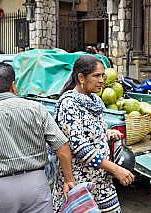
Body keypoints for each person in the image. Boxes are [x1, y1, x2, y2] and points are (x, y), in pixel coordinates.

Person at [0, 63, 75, 213]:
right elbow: (61, 145)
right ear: (13, 86)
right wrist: (69, 179)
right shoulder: (37, 109)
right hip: (36, 185)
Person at [52, 55, 135, 212]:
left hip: (102, 181)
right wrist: (115, 169)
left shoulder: (94, 101)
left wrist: (107, 132)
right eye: (96, 75)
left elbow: (93, 129)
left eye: (103, 75)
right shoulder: (69, 104)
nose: (102, 80)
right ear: (81, 77)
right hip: (79, 183)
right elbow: (79, 147)